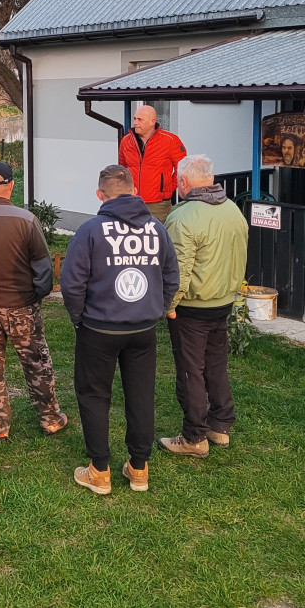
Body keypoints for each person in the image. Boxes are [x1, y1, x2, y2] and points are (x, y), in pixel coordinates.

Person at [62, 165, 179, 495]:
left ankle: (99, 471)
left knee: (94, 395)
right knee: (141, 395)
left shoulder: (90, 231)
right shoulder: (157, 229)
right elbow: (171, 276)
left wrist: (79, 318)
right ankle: (139, 468)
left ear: (100, 195)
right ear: (135, 191)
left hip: (98, 329)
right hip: (143, 329)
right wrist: (156, 309)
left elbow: (72, 284)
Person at [0, 160, 66, 441]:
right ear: (11, 186)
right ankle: (51, 419)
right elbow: (43, 268)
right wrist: (36, 296)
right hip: (22, 305)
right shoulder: (26, 220)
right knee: (36, 362)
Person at [157, 154, 248, 457]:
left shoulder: (182, 217)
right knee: (216, 364)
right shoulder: (233, 210)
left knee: (190, 370)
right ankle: (220, 425)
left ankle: (194, 436)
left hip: (192, 306)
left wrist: (169, 305)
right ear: (211, 179)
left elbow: (177, 271)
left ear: (183, 182)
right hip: (223, 301)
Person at [117, 105, 187, 223]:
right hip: (131, 201)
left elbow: (182, 168)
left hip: (158, 204)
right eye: (135, 119)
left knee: (158, 233)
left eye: (140, 119)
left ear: (152, 122)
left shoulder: (170, 140)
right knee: (131, 232)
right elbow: (122, 168)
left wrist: (167, 189)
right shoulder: (126, 141)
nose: (135, 123)